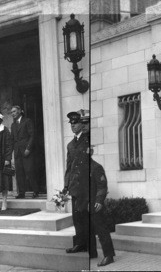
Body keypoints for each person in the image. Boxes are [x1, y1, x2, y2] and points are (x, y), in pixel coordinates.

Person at [63, 109, 91, 256]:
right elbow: (69, 167)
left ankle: (88, 246)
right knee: (77, 216)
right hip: (75, 186)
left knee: (86, 216)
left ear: (82, 124)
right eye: (71, 124)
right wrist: (66, 186)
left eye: (76, 123)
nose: (73, 126)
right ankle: (80, 244)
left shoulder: (88, 140)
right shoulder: (70, 144)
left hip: (86, 186)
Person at [89, 146, 116, 267]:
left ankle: (109, 256)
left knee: (101, 230)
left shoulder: (96, 167)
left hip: (95, 203)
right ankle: (92, 252)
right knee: (86, 229)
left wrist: (99, 200)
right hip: (83, 204)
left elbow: (102, 186)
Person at [10, 106, 39, 199]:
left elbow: (32, 135)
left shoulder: (27, 121)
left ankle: (35, 191)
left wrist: (28, 148)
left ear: (19, 111)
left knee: (29, 171)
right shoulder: (13, 125)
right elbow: (12, 140)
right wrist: (10, 153)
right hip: (17, 151)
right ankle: (22, 192)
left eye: (14, 111)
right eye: (11, 112)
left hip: (26, 151)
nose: (13, 113)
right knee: (19, 172)